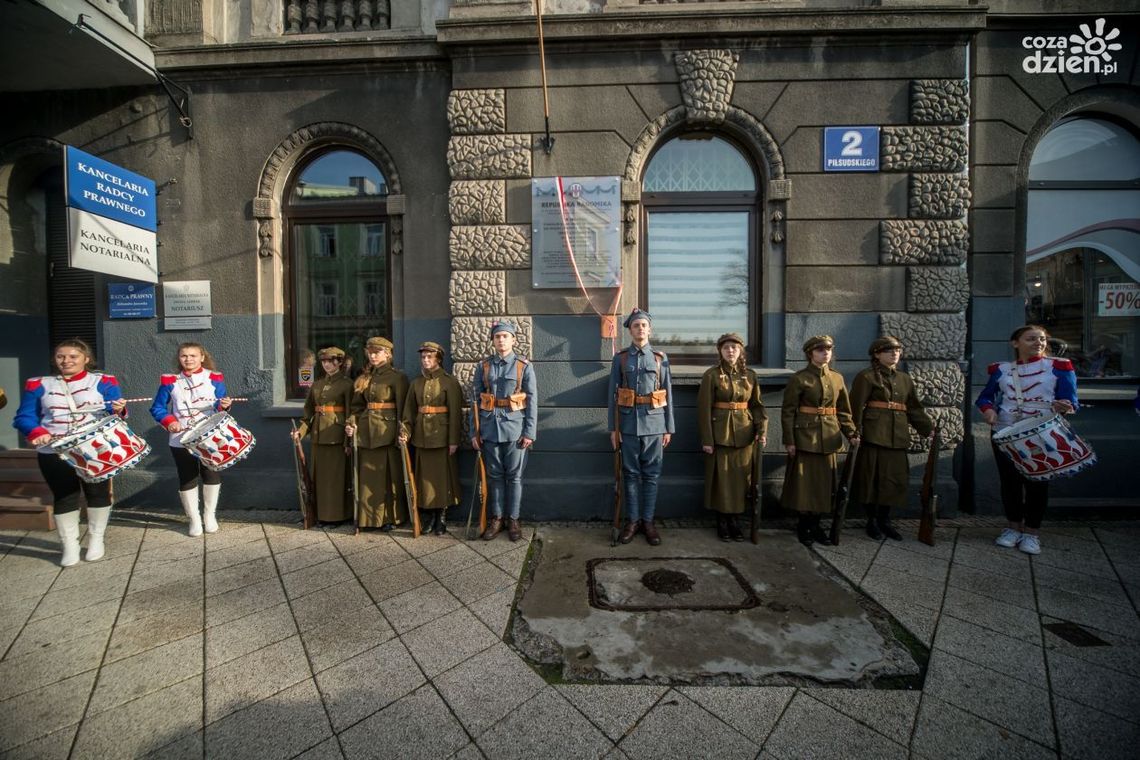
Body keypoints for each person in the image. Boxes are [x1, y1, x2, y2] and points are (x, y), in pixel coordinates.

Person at [13, 339, 127, 566]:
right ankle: (70, 546)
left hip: (94, 449)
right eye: (60, 356)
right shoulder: (39, 384)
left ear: (86, 359)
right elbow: (24, 416)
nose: (66, 361)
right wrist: (36, 431)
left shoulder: (103, 381)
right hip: (54, 450)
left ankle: (96, 540)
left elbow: (114, 412)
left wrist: (118, 409)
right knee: (64, 496)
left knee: (98, 493)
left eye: (73, 356)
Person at [976, 324, 1079, 555]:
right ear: (1016, 343)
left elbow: (1072, 401)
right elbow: (985, 397)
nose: (1038, 343)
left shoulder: (1059, 367)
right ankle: (1013, 528)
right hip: (1005, 431)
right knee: (1009, 482)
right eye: (1031, 338)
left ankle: (1032, 533)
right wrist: (988, 410)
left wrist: (1065, 405)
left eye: (1042, 339)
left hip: (1041, 433)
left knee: (1037, 483)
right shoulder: (1001, 370)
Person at [849, 336, 933, 541]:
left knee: (893, 480)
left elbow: (914, 407)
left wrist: (928, 428)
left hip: (898, 437)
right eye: (888, 350)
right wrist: (854, 432)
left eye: (897, 350)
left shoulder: (904, 379)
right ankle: (871, 520)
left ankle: (885, 520)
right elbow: (855, 406)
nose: (894, 353)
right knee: (872, 480)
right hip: (874, 435)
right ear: (877, 354)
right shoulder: (866, 377)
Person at [781, 335, 858, 546]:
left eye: (828, 350)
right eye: (820, 350)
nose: (825, 353)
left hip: (829, 438)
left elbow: (844, 411)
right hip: (806, 438)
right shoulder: (800, 379)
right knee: (804, 485)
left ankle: (816, 525)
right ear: (810, 354)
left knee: (824, 486)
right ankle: (804, 525)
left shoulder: (837, 378)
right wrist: (789, 441)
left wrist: (851, 433)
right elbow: (788, 412)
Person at [150, 342, 233, 537]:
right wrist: (170, 421)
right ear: (179, 358)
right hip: (181, 437)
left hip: (210, 436)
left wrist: (224, 405)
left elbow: (220, 407)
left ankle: (209, 516)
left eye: (193, 355)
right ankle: (194, 519)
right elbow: (157, 408)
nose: (188, 359)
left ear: (202, 357)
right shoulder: (170, 381)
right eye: (184, 356)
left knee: (211, 474)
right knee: (187, 476)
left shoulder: (214, 378)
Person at [608, 308, 674, 546]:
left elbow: (668, 393)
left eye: (644, 325)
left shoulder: (659, 358)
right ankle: (633, 521)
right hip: (628, 425)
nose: (640, 329)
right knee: (631, 475)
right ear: (630, 330)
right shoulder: (621, 358)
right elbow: (612, 396)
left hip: (655, 424)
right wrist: (613, 429)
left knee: (652, 475)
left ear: (649, 330)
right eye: (636, 325)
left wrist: (668, 428)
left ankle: (648, 522)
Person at [471, 320, 537, 542]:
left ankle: (513, 519)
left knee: (515, 477)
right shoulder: (484, 366)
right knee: (495, 476)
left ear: (513, 340)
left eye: (505, 336)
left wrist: (529, 432)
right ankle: (497, 519)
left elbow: (532, 401)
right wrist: (474, 432)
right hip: (489, 428)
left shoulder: (522, 366)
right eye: (497, 336)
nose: (501, 340)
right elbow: (475, 401)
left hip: (515, 430)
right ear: (493, 340)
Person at [697, 333, 767, 541]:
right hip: (721, 435)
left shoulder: (750, 375)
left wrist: (761, 431)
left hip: (745, 434)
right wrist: (707, 440)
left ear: (740, 351)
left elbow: (757, 406)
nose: (730, 351)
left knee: (741, 480)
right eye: (726, 347)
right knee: (722, 480)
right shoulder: (711, 375)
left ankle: (735, 521)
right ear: (720, 351)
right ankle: (722, 521)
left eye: (734, 348)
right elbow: (704, 409)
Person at [400, 341, 462, 535]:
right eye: (423, 357)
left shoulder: (449, 382)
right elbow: (409, 412)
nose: (425, 360)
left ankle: (441, 517)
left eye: (429, 357)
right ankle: (428, 517)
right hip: (421, 438)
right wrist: (405, 432)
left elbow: (455, 414)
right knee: (424, 480)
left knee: (441, 480)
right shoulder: (416, 383)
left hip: (441, 438)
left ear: (438, 359)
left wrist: (453, 440)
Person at [346, 337, 409, 531]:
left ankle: (390, 518)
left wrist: (402, 433)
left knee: (388, 478)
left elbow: (403, 409)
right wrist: (351, 423)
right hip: (366, 432)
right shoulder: (365, 377)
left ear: (387, 354)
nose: (372, 356)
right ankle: (368, 519)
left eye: (377, 352)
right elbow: (357, 407)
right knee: (368, 478)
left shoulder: (397, 377)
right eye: (370, 353)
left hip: (386, 432)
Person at [291, 346, 354, 524]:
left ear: (339, 362)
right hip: (318, 436)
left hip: (336, 435)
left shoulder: (347, 384)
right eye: (324, 361)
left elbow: (350, 413)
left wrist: (348, 442)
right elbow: (308, 414)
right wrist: (300, 432)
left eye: (331, 361)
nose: (327, 364)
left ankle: (337, 516)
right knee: (319, 479)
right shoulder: (317, 385)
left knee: (336, 479)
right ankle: (320, 515)